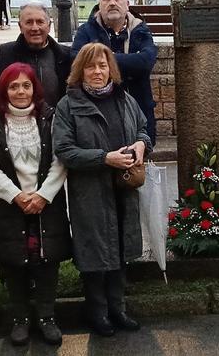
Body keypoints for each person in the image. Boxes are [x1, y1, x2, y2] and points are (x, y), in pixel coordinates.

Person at [53, 43, 151, 337]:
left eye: (103, 66)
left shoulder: (125, 99)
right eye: (91, 66)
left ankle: (118, 309)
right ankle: (97, 312)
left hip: (124, 188)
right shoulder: (68, 105)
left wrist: (141, 144)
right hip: (91, 191)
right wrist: (104, 158)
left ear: (111, 70)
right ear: (80, 70)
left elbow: (143, 129)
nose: (98, 72)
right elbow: (64, 150)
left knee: (120, 248)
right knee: (94, 252)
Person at [0, 63, 70, 347]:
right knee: (14, 262)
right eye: (14, 86)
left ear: (35, 88)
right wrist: (16, 196)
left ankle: (46, 317)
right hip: (9, 205)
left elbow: (60, 160)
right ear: (4, 90)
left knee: (46, 261)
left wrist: (43, 195)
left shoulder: (49, 118)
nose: (20, 91)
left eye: (26, 85)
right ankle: (19, 318)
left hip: (45, 202)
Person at [72, 0, 159, 142]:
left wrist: (100, 58)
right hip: (98, 114)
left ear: (127, 4)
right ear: (100, 5)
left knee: (138, 160)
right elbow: (76, 59)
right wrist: (130, 61)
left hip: (138, 111)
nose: (112, 2)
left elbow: (145, 62)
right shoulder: (86, 31)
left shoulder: (141, 30)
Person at [0, 3, 73, 108]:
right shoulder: (4, 55)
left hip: (56, 121)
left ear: (49, 26)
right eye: (29, 22)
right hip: (14, 122)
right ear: (20, 27)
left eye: (40, 22)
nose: (35, 28)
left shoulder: (65, 56)